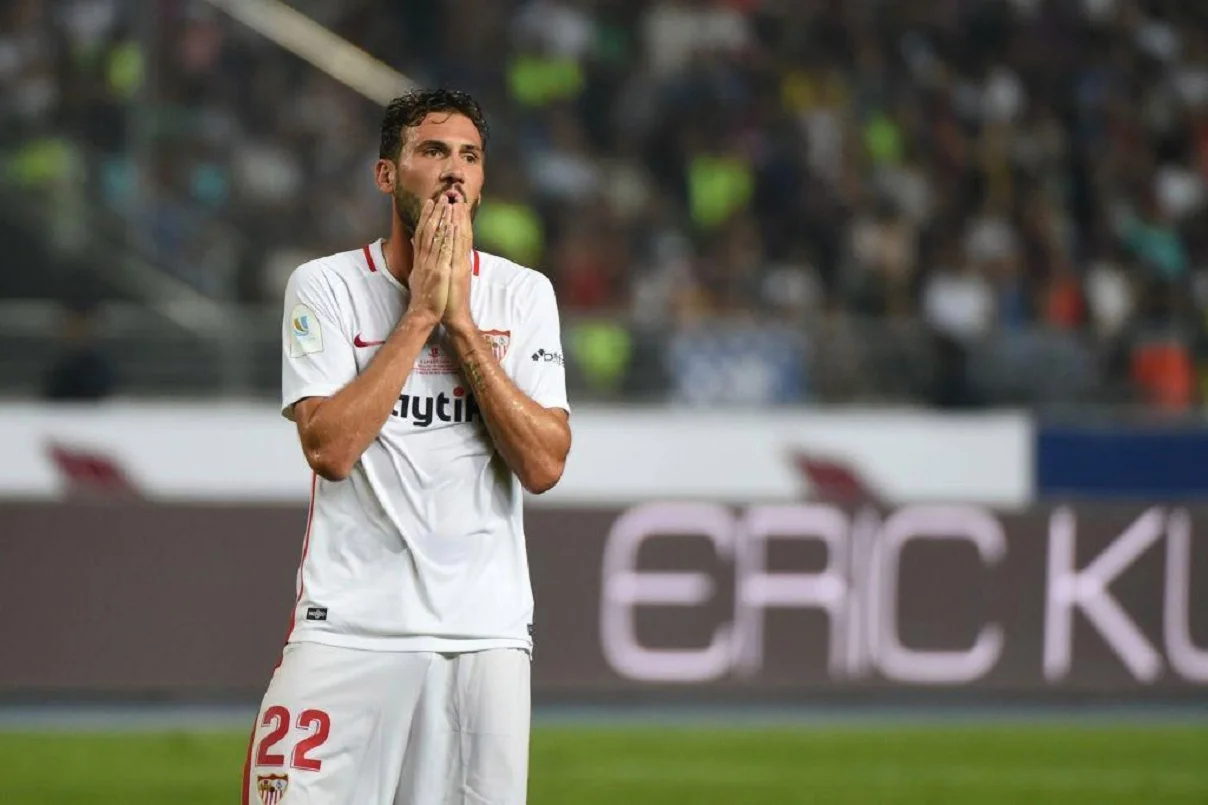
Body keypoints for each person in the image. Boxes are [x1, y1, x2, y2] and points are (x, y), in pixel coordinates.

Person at [242, 88, 572, 805]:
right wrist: (422, 314)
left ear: (481, 180)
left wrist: (462, 325)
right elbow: (329, 449)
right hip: (348, 627)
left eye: (470, 156)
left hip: (482, 637)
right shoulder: (326, 286)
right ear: (387, 174)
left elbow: (545, 463)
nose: (454, 169)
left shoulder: (523, 295)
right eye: (432, 151)